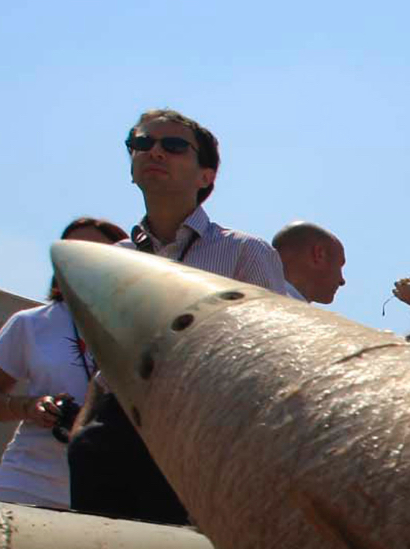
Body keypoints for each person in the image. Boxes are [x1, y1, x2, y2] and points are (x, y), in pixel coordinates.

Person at [68, 108, 293, 526]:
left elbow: (273, 355)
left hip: (200, 430)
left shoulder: (246, 253)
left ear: (206, 176)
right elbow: (105, 366)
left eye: (173, 146)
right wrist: (83, 432)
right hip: (112, 433)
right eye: (142, 143)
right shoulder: (115, 259)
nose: (154, 152)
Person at [0, 217, 128, 509]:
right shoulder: (30, 323)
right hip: (26, 485)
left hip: (108, 494)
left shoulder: (141, 330)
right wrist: (28, 407)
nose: (79, 260)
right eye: (69, 251)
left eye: (95, 253)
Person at [272, 222, 347, 304]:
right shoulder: (281, 307)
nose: (342, 281)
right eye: (339, 266)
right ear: (319, 254)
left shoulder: (264, 299)